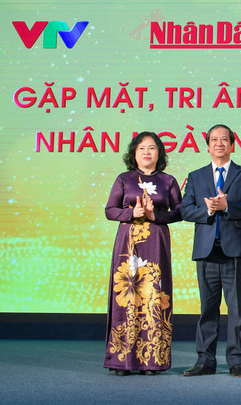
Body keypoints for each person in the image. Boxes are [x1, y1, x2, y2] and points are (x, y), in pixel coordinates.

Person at [181, 124, 241, 378]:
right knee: (208, 309)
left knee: (237, 308)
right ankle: (205, 360)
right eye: (214, 139)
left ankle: (237, 361)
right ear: (207, 146)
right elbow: (185, 210)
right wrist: (208, 210)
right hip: (206, 251)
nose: (219, 143)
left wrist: (228, 206)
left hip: (235, 250)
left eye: (224, 139)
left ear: (232, 145)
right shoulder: (196, 176)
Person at [104, 131, 182, 376]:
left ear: (159, 153)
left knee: (153, 296)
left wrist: (153, 216)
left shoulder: (168, 180)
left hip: (156, 240)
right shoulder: (124, 179)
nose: (146, 152)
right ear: (133, 153)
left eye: (152, 148)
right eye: (141, 148)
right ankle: (122, 360)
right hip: (128, 242)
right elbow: (110, 210)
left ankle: (152, 360)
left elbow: (179, 212)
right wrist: (132, 214)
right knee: (126, 295)